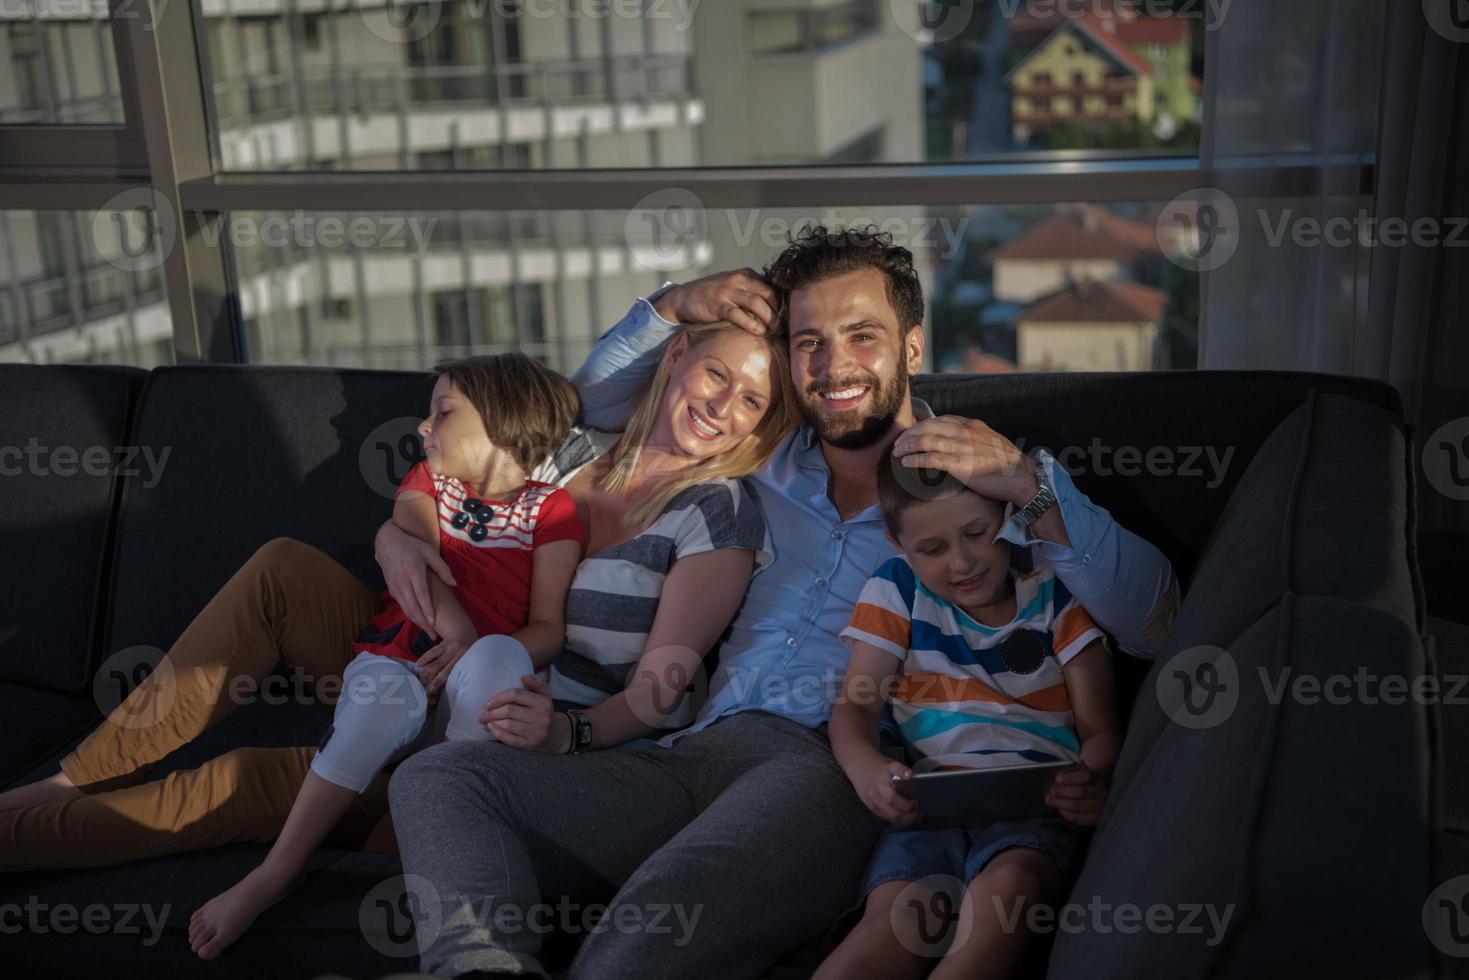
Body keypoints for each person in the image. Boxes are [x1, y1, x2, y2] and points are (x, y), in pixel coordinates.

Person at [383, 225, 1181, 979]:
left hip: (827, 771)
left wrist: (1032, 489)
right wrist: (673, 307)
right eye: (809, 342)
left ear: (911, 347)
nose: (833, 366)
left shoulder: (971, 491)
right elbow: (589, 411)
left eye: (861, 335)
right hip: (686, 751)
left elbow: (1154, 623)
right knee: (441, 779)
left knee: (642, 936)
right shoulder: (757, 457)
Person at [0, 320, 794, 914]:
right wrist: (393, 540)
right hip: (416, 664)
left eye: (751, 399)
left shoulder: (716, 515)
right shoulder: (570, 451)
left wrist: (568, 734)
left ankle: (18, 840)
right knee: (283, 568)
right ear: (680, 355)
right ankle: (74, 774)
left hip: (512, 742)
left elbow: (659, 692)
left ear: (761, 424)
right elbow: (439, 486)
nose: (722, 406)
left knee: (250, 781)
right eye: (716, 373)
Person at [186, 354, 588, 959]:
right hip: (403, 657)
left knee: (504, 658)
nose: (424, 427)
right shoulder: (428, 484)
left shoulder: (551, 510)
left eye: (443, 412)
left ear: (505, 424)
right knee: (384, 696)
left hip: (469, 696)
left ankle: (437, 808)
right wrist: (452, 631)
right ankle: (277, 871)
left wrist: (472, 649)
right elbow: (418, 559)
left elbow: (549, 628)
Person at [813, 443, 1119, 980]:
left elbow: (1101, 729)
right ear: (899, 547)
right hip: (930, 808)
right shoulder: (896, 588)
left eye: (977, 534)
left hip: (1035, 808)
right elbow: (855, 708)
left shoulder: (1053, 588)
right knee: (902, 915)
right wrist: (866, 770)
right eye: (931, 548)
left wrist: (1088, 778)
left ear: (1007, 518)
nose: (963, 562)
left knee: (1008, 890)